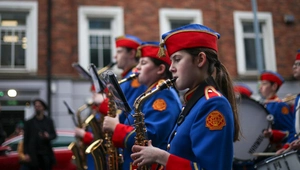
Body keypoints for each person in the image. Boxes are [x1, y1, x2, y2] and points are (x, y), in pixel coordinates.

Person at [130, 24, 240, 170]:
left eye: (177, 59)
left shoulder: (213, 104)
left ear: (200, 60)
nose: (171, 68)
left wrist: (160, 157)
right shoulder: (195, 101)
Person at [102, 41, 182, 170]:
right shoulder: (151, 92)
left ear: (160, 69)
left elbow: (150, 136)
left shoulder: (163, 95)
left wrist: (116, 128)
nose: (137, 68)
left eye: (143, 63)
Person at [259, 71, 297, 154]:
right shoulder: (263, 105)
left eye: (264, 84)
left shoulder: (280, 106)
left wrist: (273, 134)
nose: (260, 87)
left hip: (276, 152)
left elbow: (291, 131)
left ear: (274, 86)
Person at [23, 99, 57, 170]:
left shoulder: (49, 121)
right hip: (34, 154)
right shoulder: (29, 122)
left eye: (39, 106)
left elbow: (54, 135)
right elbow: (26, 139)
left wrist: (48, 136)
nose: (37, 107)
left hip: (46, 153)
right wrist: (26, 153)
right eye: (36, 106)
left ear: (43, 107)